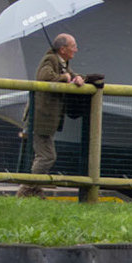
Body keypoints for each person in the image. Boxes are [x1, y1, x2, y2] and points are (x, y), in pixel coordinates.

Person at [20, 32, 86, 198]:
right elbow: (44, 76)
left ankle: (36, 191)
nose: (76, 50)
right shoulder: (51, 60)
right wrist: (65, 77)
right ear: (63, 49)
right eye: (73, 46)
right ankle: (26, 190)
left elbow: (71, 73)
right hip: (40, 118)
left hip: (45, 119)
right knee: (47, 156)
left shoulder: (62, 62)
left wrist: (78, 77)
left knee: (43, 155)